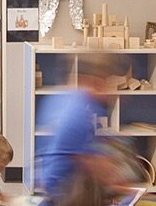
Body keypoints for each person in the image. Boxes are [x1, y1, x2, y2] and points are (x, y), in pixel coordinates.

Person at [33, 54, 119, 195]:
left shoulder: (63, 97)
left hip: (50, 179)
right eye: (106, 84)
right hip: (63, 190)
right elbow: (80, 158)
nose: (108, 92)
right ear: (95, 82)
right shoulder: (77, 114)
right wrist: (117, 184)